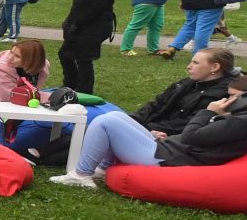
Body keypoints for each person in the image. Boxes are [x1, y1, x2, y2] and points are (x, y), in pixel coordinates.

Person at [50, 71, 247, 187]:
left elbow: (190, 136)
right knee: (116, 117)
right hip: (169, 149)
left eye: (232, 97)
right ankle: (102, 168)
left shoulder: (240, 122)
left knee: (106, 122)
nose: (225, 100)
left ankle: (81, 175)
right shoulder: (237, 117)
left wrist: (207, 111)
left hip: (168, 159)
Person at [128, 48, 237, 137]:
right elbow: (156, 104)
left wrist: (145, 128)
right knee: (113, 119)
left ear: (215, 67)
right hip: (151, 130)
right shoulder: (187, 83)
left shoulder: (223, 94)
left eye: (195, 63)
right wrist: (132, 121)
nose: (188, 66)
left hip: (168, 139)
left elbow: (187, 124)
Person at [58, 0, 121, 93]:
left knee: (83, 58)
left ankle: (84, 89)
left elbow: (96, 10)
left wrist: (77, 23)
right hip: (79, 26)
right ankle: (70, 83)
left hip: (92, 28)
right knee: (65, 53)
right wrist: (69, 22)